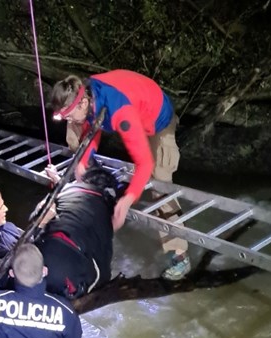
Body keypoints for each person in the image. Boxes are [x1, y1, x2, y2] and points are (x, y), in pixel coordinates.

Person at [49, 69, 190, 280]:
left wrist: (126, 201)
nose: (69, 120)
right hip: (133, 104)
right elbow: (92, 128)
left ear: (83, 104)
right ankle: (88, 186)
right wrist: (83, 160)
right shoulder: (87, 94)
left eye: (69, 115)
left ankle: (180, 255)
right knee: (78, 144)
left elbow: (144, 163)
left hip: (157, 119)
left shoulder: (120, 112)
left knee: (160, 183)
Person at [34, 162, 118, 299]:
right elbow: (104, 257)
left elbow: (61, 186)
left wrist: (54, 176)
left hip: (39, 253)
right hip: (63, 269)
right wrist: (102, 287)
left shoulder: (67, 190)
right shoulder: (102, 211)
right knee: (96, 274)